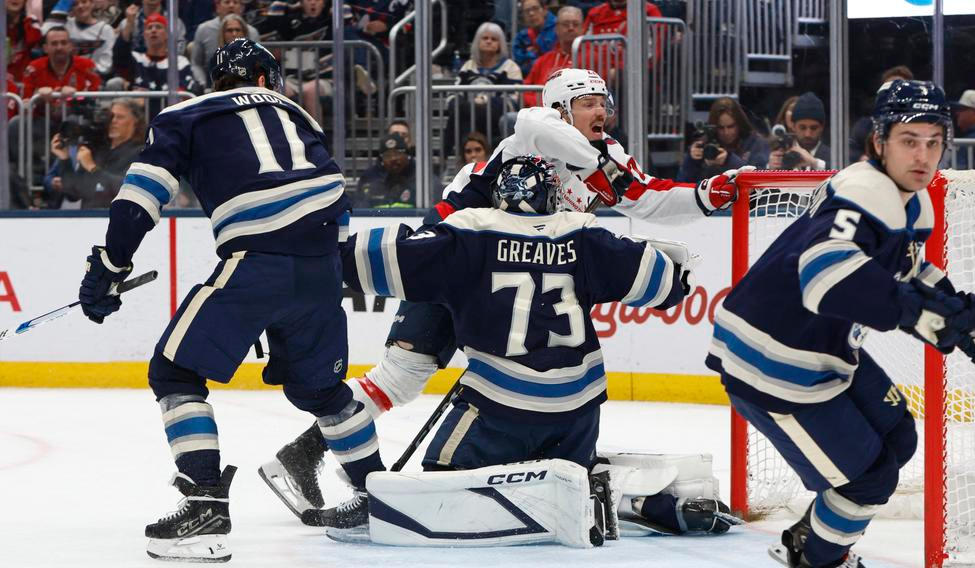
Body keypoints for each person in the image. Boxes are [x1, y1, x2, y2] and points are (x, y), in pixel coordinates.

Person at [258, 67, 750, 523]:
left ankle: (305, 455)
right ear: (560, 109)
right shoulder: (535, 135)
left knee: (424, 377)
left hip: (504, 271)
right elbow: (536, 124)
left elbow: (651, 198)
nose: (601, 111)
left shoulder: (606, 155)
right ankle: (306, 454)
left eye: (604, 102)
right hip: (454, 255)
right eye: (588, 102)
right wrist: (599, 166)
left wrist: (706, 194)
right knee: (404, 373)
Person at [316, 155, 737, 539]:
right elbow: (667, 284)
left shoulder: (470, 233)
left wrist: (316, 253)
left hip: (501, 411)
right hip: (578, 414)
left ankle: (570, 500)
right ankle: (642, 504)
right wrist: (673, 270)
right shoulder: (583, 233)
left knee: (439, 481)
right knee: (570, 473)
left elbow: (368, 260)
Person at [75, 38, 383, 562]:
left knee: (174, 372)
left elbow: (140, 197)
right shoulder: (298, 115)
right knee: (322, 391)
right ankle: (377, 499)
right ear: (266, 80)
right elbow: (340, 198)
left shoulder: (185, 114)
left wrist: (111, 265)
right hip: (321, 268)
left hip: (257, 262)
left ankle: (204, 502)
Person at [705, 80, 975, 568]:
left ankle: (812, 535)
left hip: (820, 346)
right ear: (879, 141)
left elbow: (908, 269)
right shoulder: (863, 193)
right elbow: (823, 279)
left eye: (934, 142)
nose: (923, 155)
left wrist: (955, 309)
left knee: (898, 437)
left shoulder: (909, 199)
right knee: (869, 479)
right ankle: (817, 558)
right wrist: (918, 313)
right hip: (774, 361)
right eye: (909, 140)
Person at [46, 98, 146, 208]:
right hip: (89, 216)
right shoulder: (96, 149)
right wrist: (64, 159)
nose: (113, 121)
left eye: (120, 117)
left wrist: (93, 168)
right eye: (111, 117)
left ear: (135, 122)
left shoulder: (143, 152)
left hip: (120, 215)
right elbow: (73, 194)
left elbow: (128, 188)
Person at [444, 21, 523, 154]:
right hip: (468, 112)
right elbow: (453, 95)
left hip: (496, 115)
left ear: (500, 44)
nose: (489, 41)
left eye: (494, 39)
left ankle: (458, 153)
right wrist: (466, 104)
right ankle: (455, 155)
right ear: (477, 42)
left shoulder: (510, 67)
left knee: (473, 111)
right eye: (485, 38)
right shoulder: (468, 66)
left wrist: (485, 101)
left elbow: (512, 100)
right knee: (461, 109)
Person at [678, 97, 770, 184]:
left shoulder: (756, 143)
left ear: (739, 124)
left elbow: (760, 179)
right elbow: (682, 185)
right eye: (721, 128)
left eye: (731, 126)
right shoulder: (705, 145)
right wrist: (691, 161)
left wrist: (729, 160)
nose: (726, 132)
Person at [189, 0, 260, 88]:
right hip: (211, 85)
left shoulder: (253, 32)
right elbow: (196, 64)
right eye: (227, 2)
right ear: (217, 6)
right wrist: (202, 84)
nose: (231, 6)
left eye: (235, 2)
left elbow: (258, 64)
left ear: (242, 8)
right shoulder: (203, 29)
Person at [42, 0, 116, 77]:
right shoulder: (65, 24)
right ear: (71, 8)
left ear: (92, 4)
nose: (80, 6)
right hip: (62, 75)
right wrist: (65, 2)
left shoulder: (105, 30)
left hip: (91, 76)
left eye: (84, 2)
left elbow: (106, 64)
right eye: (75, 4)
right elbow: (45, 32)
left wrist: (84, 70)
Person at [767, 92, 830, 171]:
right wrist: (770, 170)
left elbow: (842, 173)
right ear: (793, 126)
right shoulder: (781, 155)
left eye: (813, 128)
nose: (807, 134)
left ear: (822, 127)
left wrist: (815, 163)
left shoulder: (834, 156)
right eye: (802, 128)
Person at [355, 133, 416, 208]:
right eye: (388, 155)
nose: (393, 159)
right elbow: (360, 207)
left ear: (407, 155)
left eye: (397, 153)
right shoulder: (370, 178)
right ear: (382, 160)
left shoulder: (419, 177)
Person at [512, 0, 557, 76]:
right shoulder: (521, 36)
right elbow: (519, 61)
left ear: (545, 10)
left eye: (535, 8)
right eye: (527, 11)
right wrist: (530, 55)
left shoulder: (558, 28)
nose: (531, 13)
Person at [950, 90, 975, 169]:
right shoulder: (968, 137)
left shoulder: (970, 140)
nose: (957, 113)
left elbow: (959, 170)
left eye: (962, 109)